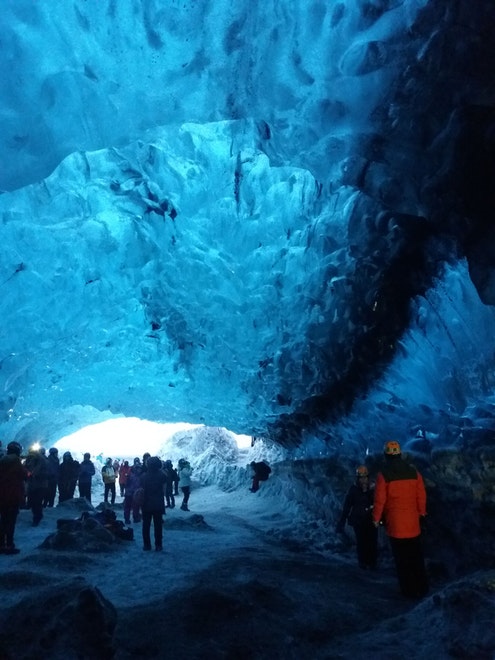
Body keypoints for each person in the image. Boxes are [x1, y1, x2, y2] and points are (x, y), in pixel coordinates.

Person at [372, 440, 429, 598]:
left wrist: (376, 519)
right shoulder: (414, 473)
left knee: (402, 560)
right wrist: (422, 513)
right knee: (416, 557)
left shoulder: (383, 476)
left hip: (395, 524)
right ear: (400, 454)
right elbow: (421, 496)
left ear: (386, 455)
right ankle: (423, 588)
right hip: (413, 523)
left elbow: (379, 500)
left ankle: (409, 591)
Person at [336, 465, 378, 570]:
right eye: (361, 478)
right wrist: (342, 520)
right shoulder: (354, 490)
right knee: (361, 542)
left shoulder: (373, 489)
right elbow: (347, 505)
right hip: (358, 521)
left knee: (371, 541)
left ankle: (371, 562)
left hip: (370, 520)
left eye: (365, 477)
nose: (363, 480)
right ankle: (363, 562)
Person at [0, 441, 28, 553]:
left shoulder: (2, 461)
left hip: (2, 495)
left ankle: (1, 543)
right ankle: (9, 544)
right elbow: (24, 474)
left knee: (3, 520)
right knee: (11, 521)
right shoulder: (16, 461)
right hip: (13, 495)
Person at [140, 456, 167, 551]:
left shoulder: (143, 476)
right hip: (158, 503)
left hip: (146, 503)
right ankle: (158, 545)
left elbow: (141, 490)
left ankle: (147, 545)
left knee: (146, 525)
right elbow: (164, 490)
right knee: (158, 525)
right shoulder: (162, 475)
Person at [24, 447, 49, 526]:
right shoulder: (31, 459)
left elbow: (43, 472)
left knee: (36, 502)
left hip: (39, 485)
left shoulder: (40, 460)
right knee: (33, 501)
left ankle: (37, 518)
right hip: (33, 484)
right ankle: (37, 516)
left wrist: (34, 475)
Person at [123, 458, 143, 524]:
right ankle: (133, 518)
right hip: (134, 492)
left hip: (132, 492)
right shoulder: (137, 474)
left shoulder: (130, 472)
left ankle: (129, 519)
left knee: (132, 506)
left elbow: (125, 482)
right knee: (134, 506)